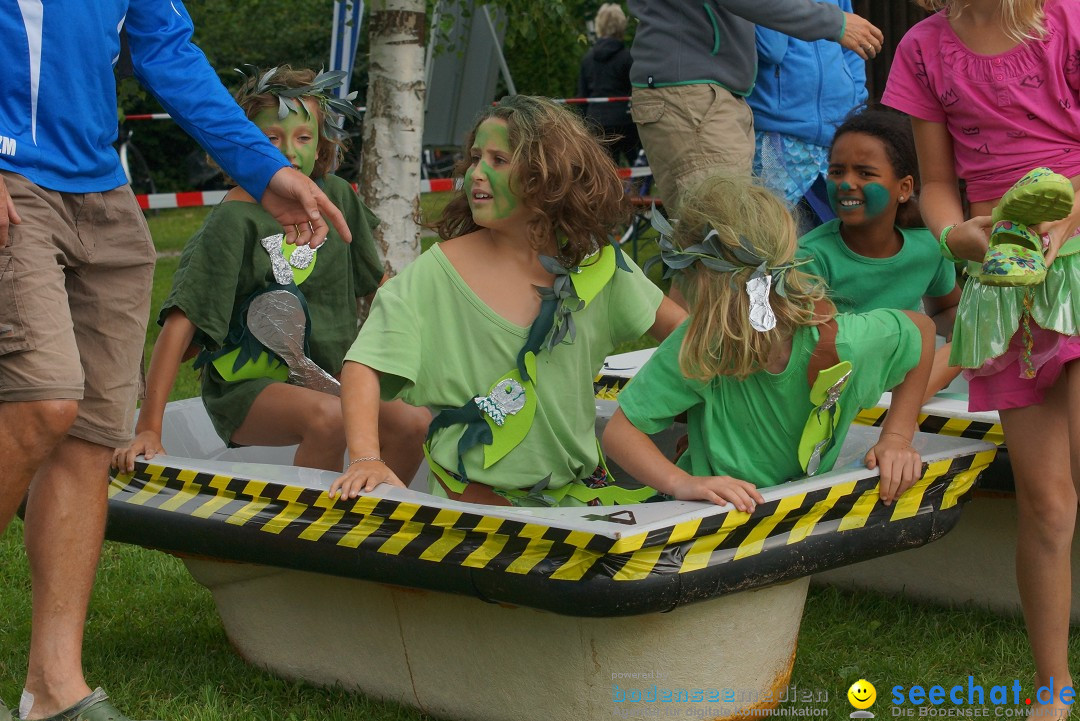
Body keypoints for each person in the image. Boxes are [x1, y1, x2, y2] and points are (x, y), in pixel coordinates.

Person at [0, 2, 354, 720]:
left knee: (91, 435)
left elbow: (165, 46)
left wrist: (265, 168)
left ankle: (52, 690)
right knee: (44, 402)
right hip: (12, 180)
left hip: (100, 191)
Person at [329, 95, 686, 507]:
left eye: (499, 160)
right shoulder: (439, 272)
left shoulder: (600, 266)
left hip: (580, 502)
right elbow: (363, 364)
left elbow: (684, 337)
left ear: (549, 175)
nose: (477, 173)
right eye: (476, 158)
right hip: (474, 506)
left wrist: (690, 414)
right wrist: (365, 458)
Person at [882, 0, 1080, 715]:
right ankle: (1052, 689)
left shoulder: (1070, 20)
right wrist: (956, 235)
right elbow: (937, 183)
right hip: (1002, 281)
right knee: (1048, 504)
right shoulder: (924, 47)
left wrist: (1068, 218)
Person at [111, 67, 428, 479]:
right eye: (270, 139)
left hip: (331, 376)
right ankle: (311, 537)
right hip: (248, 389)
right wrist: (149, 427)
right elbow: (180, 323)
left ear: (323, 143)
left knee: (413, 423)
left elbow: (384, 289)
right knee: (331, 418)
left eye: (303, 137)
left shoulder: (336, 199)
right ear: (241, 145)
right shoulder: (232, 222)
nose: (289, 151)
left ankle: (374, 527)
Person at [602, 174, 935, 508]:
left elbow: (921, 331)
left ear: (701, 284)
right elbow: (619, 434)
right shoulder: (699, 345)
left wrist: (896, 437)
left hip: (787, 519)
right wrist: (682, 482)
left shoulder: (839, 343)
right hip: (705, 515)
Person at [625, 0, 883, 211]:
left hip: (707, 92)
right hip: (694, 91)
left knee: (721, 243)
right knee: (725, 240)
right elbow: (772, 46)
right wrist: (834, 22)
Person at [798, 109, 962, 400]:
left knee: (970, 336)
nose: (846, 182)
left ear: (904, 188)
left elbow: (945, 310)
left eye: (865, 173)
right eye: (836, 171)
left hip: (905, 377)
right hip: (839, 384)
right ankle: (906, 409)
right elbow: (815, 349)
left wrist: (963, 330)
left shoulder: (928, 248)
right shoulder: (810, 256)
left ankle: (908, 405)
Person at [747, 0, 868, 232]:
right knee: (779, 242)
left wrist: (856, 108)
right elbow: (772, 48)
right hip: (778, 137)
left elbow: (854, 46)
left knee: (838, 243)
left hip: (835, 137)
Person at [577, 3, 639, 165]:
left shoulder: (588, 59)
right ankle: (640, 190)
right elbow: (637, 92)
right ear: (621, 25)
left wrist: (583, 125)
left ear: (599, 25)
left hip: (596, 121)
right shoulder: (628, 58)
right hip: (626, 121)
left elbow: (582, 97)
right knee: (638, 167)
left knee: (605, 173)